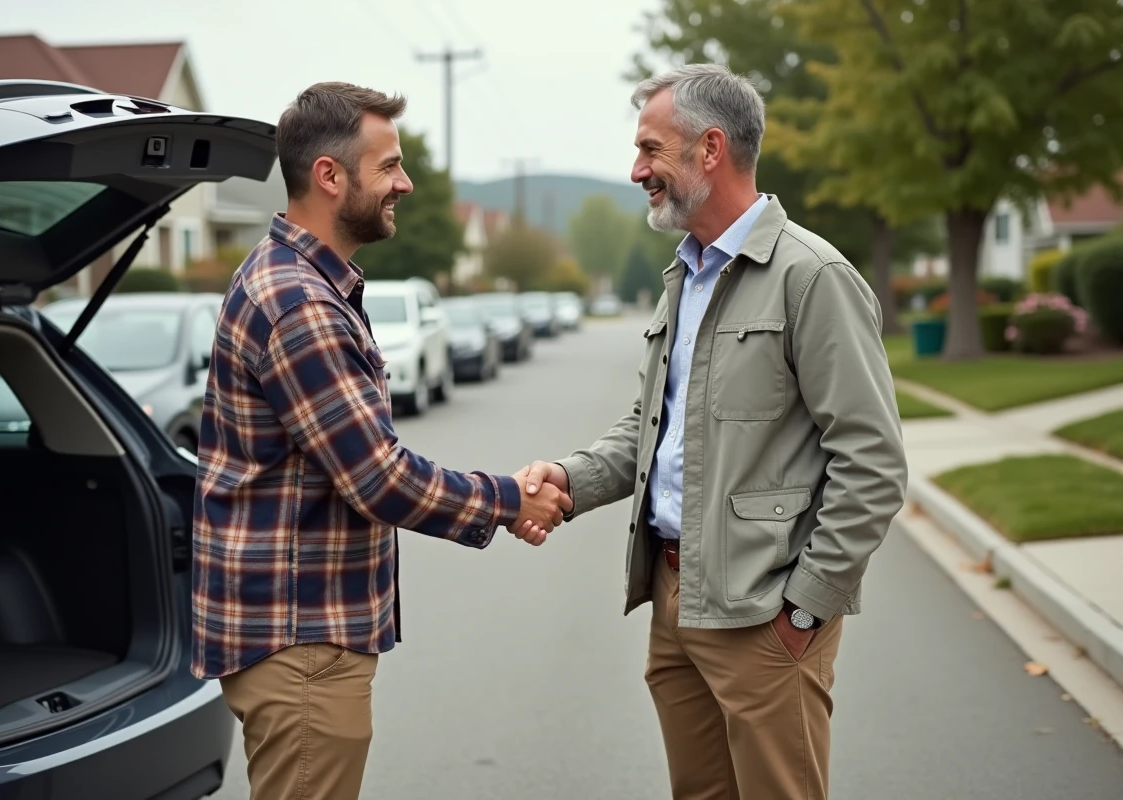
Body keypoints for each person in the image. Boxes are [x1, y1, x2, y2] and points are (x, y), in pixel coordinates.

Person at [518, 64, 908, 799]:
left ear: (709, 150)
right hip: (675, 600)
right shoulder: (686, 276)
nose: (636, 171)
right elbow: (652, 429)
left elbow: (872, 461)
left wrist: (805, 607)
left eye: (650, 150)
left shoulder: (811, 276)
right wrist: (570, 480)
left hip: (765, 615)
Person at [190, 82, 570, 800]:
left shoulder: (298, 282)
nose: (406, 181)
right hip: (300, 641)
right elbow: (380, 478)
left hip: (295, 631)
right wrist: (510, 498)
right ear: (331, 177)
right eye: (389, 165)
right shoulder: (300, 304)